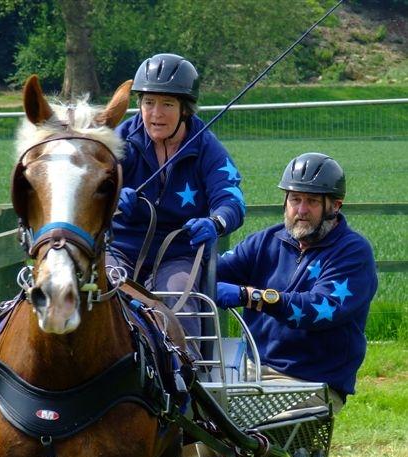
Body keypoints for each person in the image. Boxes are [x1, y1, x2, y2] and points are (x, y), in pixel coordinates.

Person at [106, 53, 246, 357]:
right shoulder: (120, 140)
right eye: (148, 103)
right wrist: (112, 197)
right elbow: (91, 185)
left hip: (178, 254)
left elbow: (231, 199)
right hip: (119, 250)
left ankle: (187, 383)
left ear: (185, 109)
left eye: (167, 104)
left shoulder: (206, 146)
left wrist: (216, 223)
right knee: (100, 290)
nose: (156, 114)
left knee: (178, 296)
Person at [215, 152, 377, 412]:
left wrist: (251, 297)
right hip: (250, 368)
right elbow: (211, 273)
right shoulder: (265, 241)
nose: (301, 210)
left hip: (311, 380)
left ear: (335, 206)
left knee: (239, 435)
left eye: (312, 201)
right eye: (295, 199)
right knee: (191, 428)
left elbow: (321, 308)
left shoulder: (352, 252)